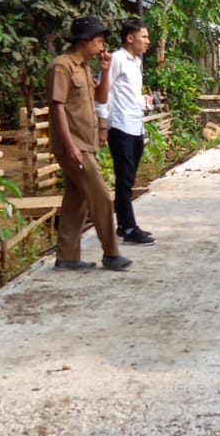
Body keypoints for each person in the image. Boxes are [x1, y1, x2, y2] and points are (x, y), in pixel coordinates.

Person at [46, 17, 132, 273]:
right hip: (74, 146)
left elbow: (100, 97)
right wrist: (70, 145)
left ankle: (67, 257)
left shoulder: (83, 67)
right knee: (102, 197)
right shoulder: (61, 67)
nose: (102, 47)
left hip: (86, 144)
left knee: (77, 201)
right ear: (85, 41)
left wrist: (105, 72)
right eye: (99, 41)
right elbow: (57, 108)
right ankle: (111, 253)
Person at [94, 18, 156, 245]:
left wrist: (144, 101)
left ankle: (123, 225)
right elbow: (103, 93)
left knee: (128, 178)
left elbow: (129, 94)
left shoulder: (135, 62)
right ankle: (128, 228)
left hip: (135, 125)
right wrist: (103, 125)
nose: (147, 41)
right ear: (130, 38)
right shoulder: (116, 60)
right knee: (124, 178)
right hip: (120, 126)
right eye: (144, 36)